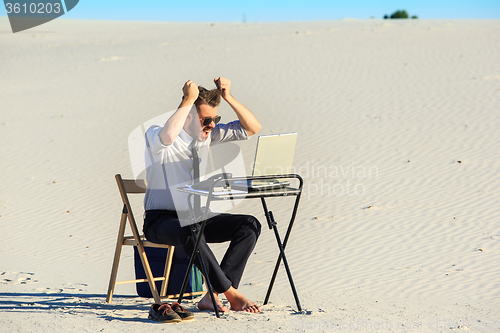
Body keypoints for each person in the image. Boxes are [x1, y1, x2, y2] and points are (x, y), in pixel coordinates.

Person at [143, 77, 262, 313]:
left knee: (249, 225)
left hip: (196, 217)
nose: (212, 125)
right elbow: (167, 137)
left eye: (215, 119)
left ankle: (212, 295)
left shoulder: (207, 137)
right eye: (206, 120)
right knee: (190, 229)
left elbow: (252, 128)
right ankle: (231, 293)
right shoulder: (157, 135)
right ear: (188, 116)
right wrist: (187, 99)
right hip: (161, 220)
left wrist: (227, 97)